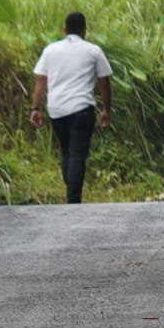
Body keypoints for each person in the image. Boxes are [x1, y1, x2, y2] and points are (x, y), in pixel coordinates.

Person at [30, 12, 113, 204]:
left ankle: (71, 192)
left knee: (66, 151)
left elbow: (41, 80)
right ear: (84, 31)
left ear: (64, 30)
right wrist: (106, 109)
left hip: (56, 110)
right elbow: (104, 82)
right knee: (77, 153)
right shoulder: (93, 50)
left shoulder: (50, 50)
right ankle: (73, 200)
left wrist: (35, 108)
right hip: (82, 108)